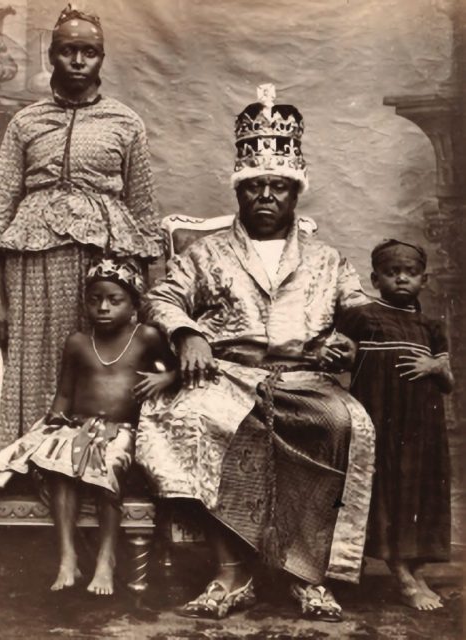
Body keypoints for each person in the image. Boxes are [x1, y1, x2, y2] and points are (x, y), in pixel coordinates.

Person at [136, 84, 375, 621]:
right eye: (255, 188)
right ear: (240, 193)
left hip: (303, 379)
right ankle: (231, 574)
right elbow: (162, 296)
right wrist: (186, 334)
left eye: (278, 188)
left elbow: (359, 310)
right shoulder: (208, 252)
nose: (266, 197)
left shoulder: (326, 258)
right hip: (226, 375)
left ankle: (305, 574)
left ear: (295, 193)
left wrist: (348, 340)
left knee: (341, 424)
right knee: (198, 418)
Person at [0, 4, 162, 448]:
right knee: (35, 361)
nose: (79, 61)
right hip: (31, 268)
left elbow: (143, 210)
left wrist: (148, 300)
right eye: (68, 51)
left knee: (103, 363)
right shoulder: (26, 122)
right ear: (51, 56)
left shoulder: (125, 122)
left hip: (105, 266)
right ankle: (33, 468)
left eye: (90, 52)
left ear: (101, 58)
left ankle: (92, 471)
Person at [0, 258, 176, 595]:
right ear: (85, 303)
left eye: (115, 300)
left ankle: (105, 558)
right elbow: (65, 393)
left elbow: (178, 369)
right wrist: (53, 422)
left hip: (121, 430)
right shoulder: (78, 342)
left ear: (133, 305)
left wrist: (166, 377)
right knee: (58, 465)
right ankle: (67, 557)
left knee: (108, 467)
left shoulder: (147, 338)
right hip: (77, 425)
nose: (103, 307)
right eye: (95, 299)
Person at [336, 239, 453, 611]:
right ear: (375, 278)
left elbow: (449, 380)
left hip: (422, 425)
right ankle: (400, 574)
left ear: (424, 279)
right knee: (388, 489)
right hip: (381, 419)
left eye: (411, 273)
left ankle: (414, 568)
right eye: (392, 272)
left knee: (418, 491)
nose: (402, 278)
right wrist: (340, 352)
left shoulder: (431, 326)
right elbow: (340, 358)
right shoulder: (363, 316)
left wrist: (435, 366)